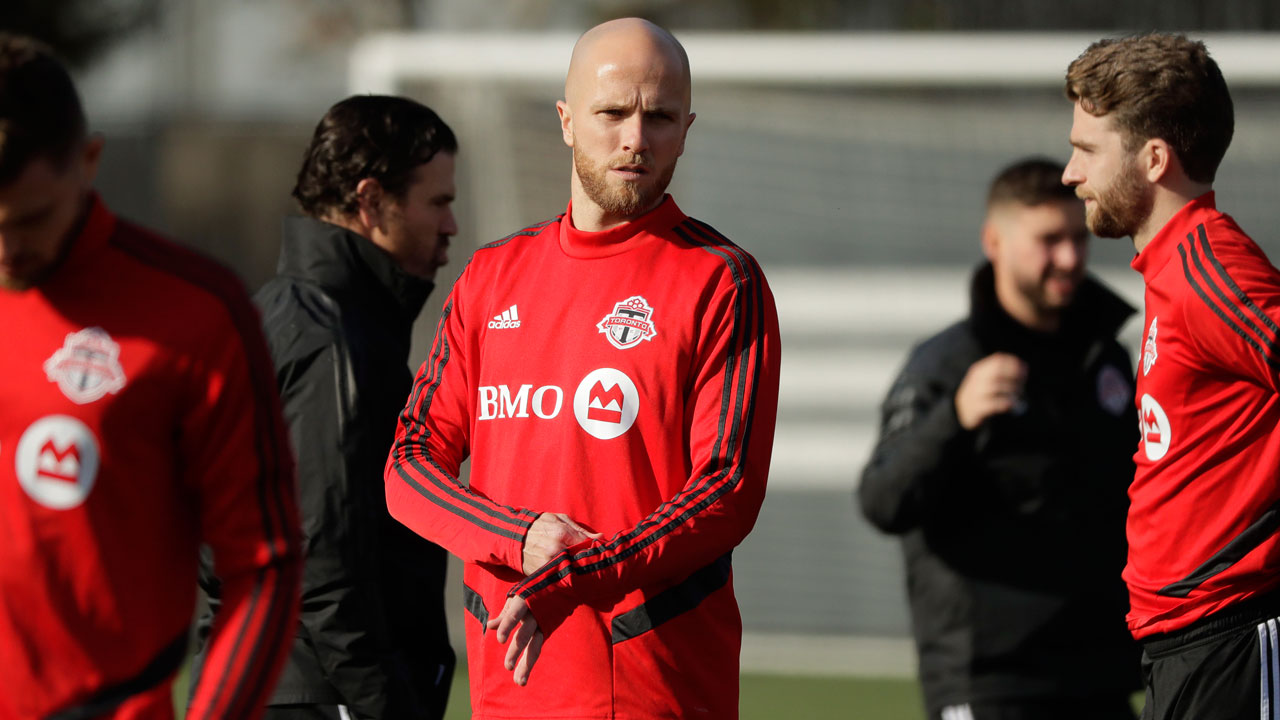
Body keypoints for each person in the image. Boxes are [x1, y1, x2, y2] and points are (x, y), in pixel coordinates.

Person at [382, 17, 780, 720]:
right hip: (510, 688)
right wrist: (520, 539)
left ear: (686, 128)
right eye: (613, 113)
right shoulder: (491, 276)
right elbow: (409, 467)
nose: (636, 138)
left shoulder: (722, 282)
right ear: (566, 122)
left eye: (659, 117)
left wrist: (575, 577)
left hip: (657, 688)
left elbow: (724, 493)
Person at [0, 33, 301, 720]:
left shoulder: (194, 312)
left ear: (89, 161)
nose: (7, 248)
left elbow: (263, 563)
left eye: (31, 219)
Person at [195, 95, 459, 720]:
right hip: (317, 697)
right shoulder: (329, 341)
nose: (451, 225)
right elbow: (324, 562)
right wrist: (390, 705)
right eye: (439, 202)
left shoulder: (267, 316)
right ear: (371, 201)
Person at [859, 158, 1142, 720]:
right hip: (990, 680)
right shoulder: (946, 365)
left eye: (1076, 238)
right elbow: (882, 500)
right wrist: (955, 418)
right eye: (1047, 240)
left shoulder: (1104, 358)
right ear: (995, 241)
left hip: (1100, 675)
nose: (1069, 257)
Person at [1062, 33, 1280, 720]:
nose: (1071, 173)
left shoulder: (1206, 264)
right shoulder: (1172, 268)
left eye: (1087, 150)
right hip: (1183, 643)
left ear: (1154, 159)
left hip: (1233, 636)